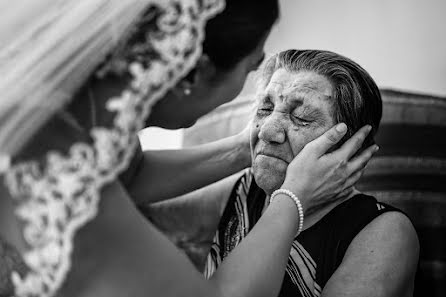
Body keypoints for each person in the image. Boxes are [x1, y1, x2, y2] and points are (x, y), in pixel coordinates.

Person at [0, 1, 377, 296]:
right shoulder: (58, 176)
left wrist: (247, 147)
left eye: (302, 118)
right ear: (193, 71)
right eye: (252, 71)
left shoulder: (56, 122)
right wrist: (295, 196)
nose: (271, 129)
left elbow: (128, 176)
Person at [205, 49, 420, 297]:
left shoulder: (385, 232)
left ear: (349, 148)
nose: (267, 131)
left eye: (302, 117)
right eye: (265, 109)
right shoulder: (243, 191)